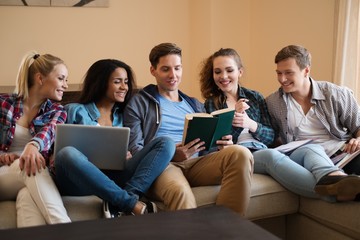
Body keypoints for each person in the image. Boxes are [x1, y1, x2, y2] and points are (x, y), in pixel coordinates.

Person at [199, 47, 360, 202]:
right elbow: (212, 145)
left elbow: (271, 136)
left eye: (229, 70)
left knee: (312, 148)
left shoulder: (254, 97)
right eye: (218, 71)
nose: (223, 76)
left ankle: (336, 179)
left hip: (261, 147)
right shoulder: (210, 104)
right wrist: (236, 121)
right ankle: (335, 192)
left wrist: (251, 124)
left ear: (239, 72)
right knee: (272, 156)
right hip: (240, 153)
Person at [123, 43, 254, 216]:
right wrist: (171, 153)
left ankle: (227, 230)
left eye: (177, 68)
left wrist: (222, 145)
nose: (173, 75)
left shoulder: (194, 104)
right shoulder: (139, 103)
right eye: (165, 69)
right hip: (164, 165)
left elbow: (208, 146)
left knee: (241, 153)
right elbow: (136, 150)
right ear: (153, 70)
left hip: (196, 164)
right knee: (181, 191)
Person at [53, 59, 175, 217]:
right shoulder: (73, 110)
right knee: (66, 153)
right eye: (118, 82)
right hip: (77, 181)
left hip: (114, 177)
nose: (124, 87)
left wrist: (127, 156)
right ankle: (129, 204)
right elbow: (55, 145)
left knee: (165, 143)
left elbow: (134, 149)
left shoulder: (124, 116)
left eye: (126, 82)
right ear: (101, 83)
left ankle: (126, 198)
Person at [266, 45, 360, 200]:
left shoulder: (335, 94)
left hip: (343, 154)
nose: (282, 79)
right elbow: (271, 137)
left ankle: (347, 189)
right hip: (305, 158)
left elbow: (358, 125)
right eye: (279, 73)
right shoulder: (273, 102)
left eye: (289, 73)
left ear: (306, 71)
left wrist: (358, 139)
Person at [0, 51, 71, 227]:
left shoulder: (57, 111)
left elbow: (49, 132)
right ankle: (67, 229)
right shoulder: (3, 104)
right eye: (61, 78)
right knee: (32, 165)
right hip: (3, 174)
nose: (66, 85)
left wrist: (33, 146)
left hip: (28, 175)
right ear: (40, 79)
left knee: (27, 195)